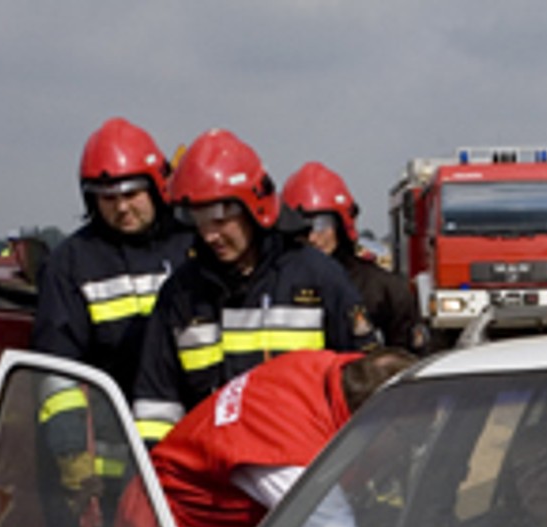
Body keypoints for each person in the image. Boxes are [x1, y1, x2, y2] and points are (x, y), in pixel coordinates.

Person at [132, 129, 374, 449]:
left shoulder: (318, 277)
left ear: (254, 207)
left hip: (307, 473)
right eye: (199, 221)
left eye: (219, 218)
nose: (209, 235)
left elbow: (363, 381)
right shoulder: (180, 294)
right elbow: (156, 405)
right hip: (214, 477)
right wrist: (158, 480)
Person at [124, 347, 417, 527]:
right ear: (381, 426)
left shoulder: (326, 372)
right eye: (409, 438)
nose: (412, 449)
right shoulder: (284, 455)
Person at [31, 118, 193, 527]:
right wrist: (70, 456)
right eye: (107, 198)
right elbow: (57, 369)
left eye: (132, 194)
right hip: (109, 457)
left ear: (158, 186)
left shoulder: (191, 248)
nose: (121, 208)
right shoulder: (71, 263)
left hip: (190, 441)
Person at [282, 161, 430, 354]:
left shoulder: (385, 290)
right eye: (302, 228)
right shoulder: (274, 287)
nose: (312, 237)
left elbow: (408, 362)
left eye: (321, 224)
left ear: (341, 225)